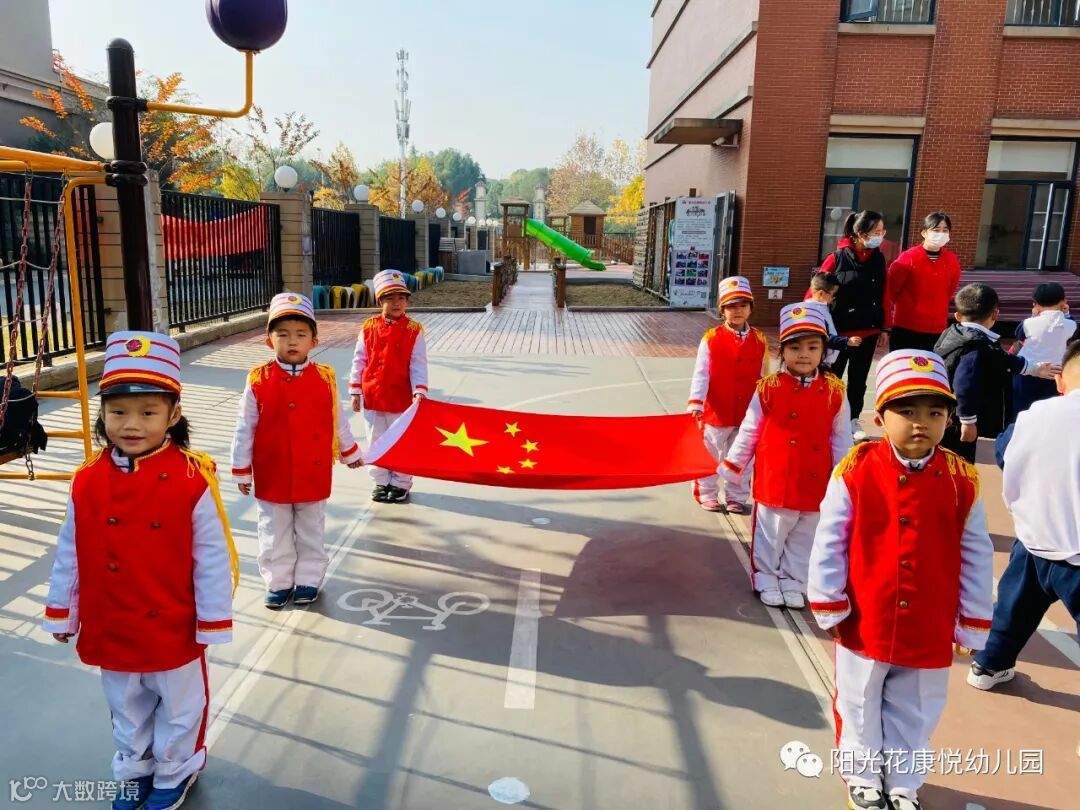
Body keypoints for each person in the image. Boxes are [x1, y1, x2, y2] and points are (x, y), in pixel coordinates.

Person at [43, 332, 238, 810]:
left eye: (148, 412)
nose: (131, 424)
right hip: (112, 620)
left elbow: (212, 555)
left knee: (180, 706)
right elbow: (70, 551)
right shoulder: (87, 480)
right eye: (118, 412)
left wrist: (212, 619)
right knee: (125, 706)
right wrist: (63, 611)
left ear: (173, 415)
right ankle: (134, 770)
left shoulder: (193, 478)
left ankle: (175, 771)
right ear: (103, 414)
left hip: (172, 620)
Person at [808, 349, 994, 810]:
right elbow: (831, 536)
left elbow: (976, 552)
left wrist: (973, 619)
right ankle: (863, 778)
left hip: (931, 617)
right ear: (879, 417)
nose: (921, 423)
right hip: (866, 613)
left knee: (918, 707)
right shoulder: (855, 468)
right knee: (859, 700)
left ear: (949, 419)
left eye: (934, 413)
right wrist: (828, 597)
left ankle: (903, 783)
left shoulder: (962, 478)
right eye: (907, 411)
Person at [231, 293, 364, 609]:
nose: (292, 341)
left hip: (312, 469)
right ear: (269, 340)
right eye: (283, 334)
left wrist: (349, 451)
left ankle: (308, 579)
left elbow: (337, 418)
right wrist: (241, 469)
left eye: (301, 334)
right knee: (273, 531)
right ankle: (278, 582)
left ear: (314, 341)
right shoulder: (258, 379)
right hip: (272, 469)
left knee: (310, 530)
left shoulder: (325, 378)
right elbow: (245, 425)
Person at [721, 303, 852, 608]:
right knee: (771, 532)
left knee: (806, 533)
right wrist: (734, 464)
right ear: (782, 351)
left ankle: (793, 579)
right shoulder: (768, 388)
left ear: (824, 352)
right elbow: (750, 429)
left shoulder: (835, 391)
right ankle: (766, 577)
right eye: (795, 347)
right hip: (776, 475)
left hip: (815, 477)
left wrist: (843, 477)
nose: (803, 354)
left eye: (812, 347)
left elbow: (841, 437)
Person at [969, 339, 1080, 691]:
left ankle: (988, 666)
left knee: (1011, 611)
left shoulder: (1033, 417)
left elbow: (1005, 453)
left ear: (1060, 381)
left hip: (1034, 538)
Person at [934, 283, 1058, 463]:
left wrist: (1034, 368)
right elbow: (964, 387)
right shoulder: (975, 348)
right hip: (964, 418)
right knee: (961, 458)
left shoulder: (954, 334)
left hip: (949, 412)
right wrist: (968, 422)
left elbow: (1001, 359)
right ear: (995, 314)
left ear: (958, 315)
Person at [687, 276, 769, 514]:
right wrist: (696, 403)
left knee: (741, 458)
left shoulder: (760, 340)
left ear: (751, 308)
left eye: (743, 305)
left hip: (746, 414)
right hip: (716, 411)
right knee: (710, 454)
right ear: (722, 310)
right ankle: (706, 493)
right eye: (731, 306)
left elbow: (764, 376)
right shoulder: (711, 338)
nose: (737, 311)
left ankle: (736, 496)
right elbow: (701, 373)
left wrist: (765, 406)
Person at [349, 269, 429, 503]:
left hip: (401, 398)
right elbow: (359, 359)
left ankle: (401, 482)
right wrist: (355, 391)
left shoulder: (414, 330)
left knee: (401, 440)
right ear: (379, 301)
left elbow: (418, 362)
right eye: (390, 297)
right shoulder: (368, 327)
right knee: (376, 440)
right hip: (373, 396)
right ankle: (381, 481)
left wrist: (419, 390)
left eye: (401, 297)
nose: (397, 303)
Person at [818, 211, 888, 442]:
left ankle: (853, 419)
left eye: (882, 231)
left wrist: (885, 328)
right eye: (876, 232)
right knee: (832, 378)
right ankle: (827, 418)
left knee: (858, 381)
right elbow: (816, 291)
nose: (880, 236)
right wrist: (814, 322)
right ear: (860, 234)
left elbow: (885, 294)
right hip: (839, 333)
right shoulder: (836, 258)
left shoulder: (878, 259)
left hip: (868, 331)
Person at [882, 212, 962, 353]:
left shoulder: (951, 260)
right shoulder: (908, 258)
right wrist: (885, 326)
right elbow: (889, 293)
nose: (941, 234)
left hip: (937, 329)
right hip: (906, 328)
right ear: (924, 232)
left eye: (945, 230)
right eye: (936, 230)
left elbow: (950, 291)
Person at [1010, 282, 1077, 417]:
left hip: (1028, 372)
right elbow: (1076, 333)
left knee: (1021, 412)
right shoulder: (1070, 324)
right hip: (1055, 374)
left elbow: (1019, 335)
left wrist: (1034, 317)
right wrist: (1067, 314)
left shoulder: (1028, 323)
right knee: (1049, 413)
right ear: (1063, 302)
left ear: (1035, 304)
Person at [805, 271, 862, 370]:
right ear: (821, 293)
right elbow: (821, 337)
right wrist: (846, 341)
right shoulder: (812, 311)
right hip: (816, 361)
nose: (834, 297)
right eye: (833, 294)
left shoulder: (822, 308)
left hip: (821, 360)